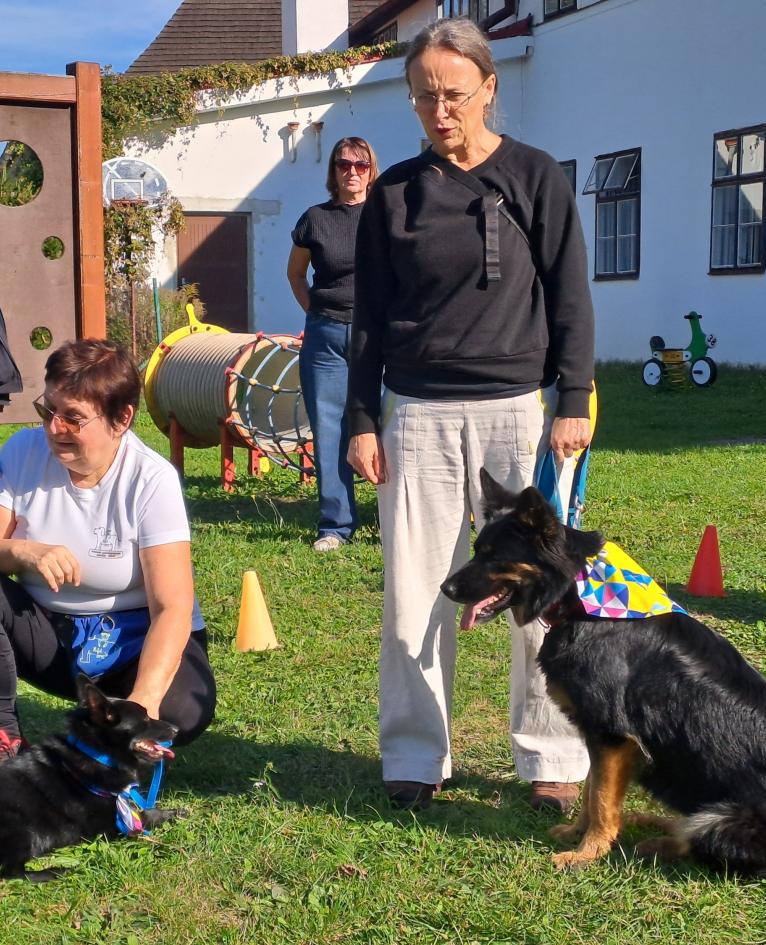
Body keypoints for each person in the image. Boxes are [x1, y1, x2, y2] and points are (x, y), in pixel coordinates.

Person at [346, 18, 596, 812]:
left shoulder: (535, 176)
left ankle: (551, 754)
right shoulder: (393, 195)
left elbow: (570, 293)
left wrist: (574, 397)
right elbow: (366, 321)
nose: (440, 110)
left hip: (516, 412)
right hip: (417, 414)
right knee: (414, 592)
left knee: (539, 587)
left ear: (489, 87)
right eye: (424, 97)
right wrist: (361, 419)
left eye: (453, 94)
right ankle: (415, 753)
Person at [0, 338, 215, 768]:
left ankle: (118, 718)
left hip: (135, 638)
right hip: (52, 633)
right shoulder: (22, 451)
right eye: (48, 410)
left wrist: (143, 704)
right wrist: (22, 551)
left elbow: (172, 606)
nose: (54, 428)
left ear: (121, 419)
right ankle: (5, 738)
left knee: (182, 713)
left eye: (73, 417)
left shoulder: (151, 479)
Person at [287, 137, 380, 552]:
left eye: (361, 165)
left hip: (377, 337)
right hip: (326, 338)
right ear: (333, 170)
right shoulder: (315, 219)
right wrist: (315, 313)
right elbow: (295, 275)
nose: (352, 172)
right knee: (329, 429)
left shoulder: (385, 215)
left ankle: (393, 516)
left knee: (390, 423)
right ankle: (335, 525)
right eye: (344, 164)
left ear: (371, 170)